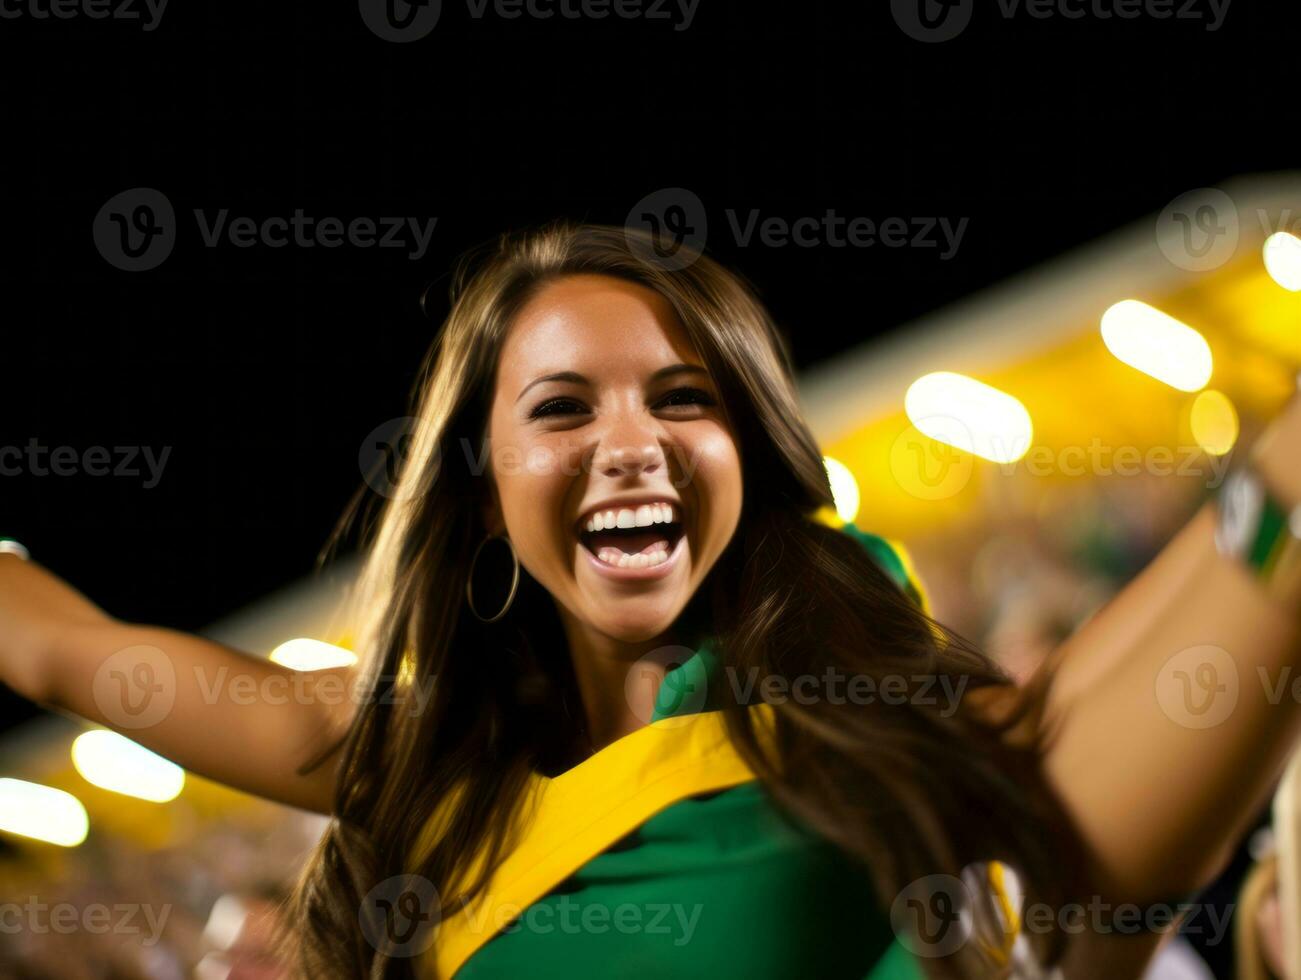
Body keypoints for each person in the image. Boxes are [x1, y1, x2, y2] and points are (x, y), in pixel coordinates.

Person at [5, 222, 1301, 979]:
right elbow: (66, 648)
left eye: (683, 399)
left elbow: (1217, 585)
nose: (630, 443)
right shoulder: (419, 766)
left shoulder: (858, 705)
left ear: (752, 456)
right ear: (485, 491)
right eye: (561, 407)